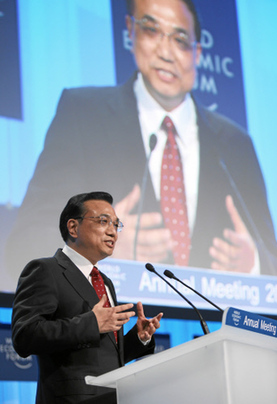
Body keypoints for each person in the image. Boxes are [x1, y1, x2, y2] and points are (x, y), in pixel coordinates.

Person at [5, 0, 277, 283]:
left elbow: (271, 258)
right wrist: (91, 245)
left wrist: (253, 263)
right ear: (130, 32)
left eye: (180, 40)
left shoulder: (235, 144)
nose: (166, 52)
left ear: (197, 53)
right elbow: (25, 243)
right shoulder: (82, 114)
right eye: (151, 30)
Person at [11, 191, 163, 404]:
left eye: (116, 225)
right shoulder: (46, 270)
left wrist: (139, 338)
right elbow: (25, 336)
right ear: (73, 227)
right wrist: (91, 323)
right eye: (104, 222)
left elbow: (104, 359)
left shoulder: (105, 282)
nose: (113, 233)